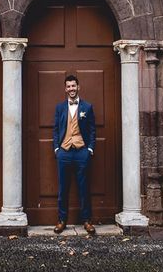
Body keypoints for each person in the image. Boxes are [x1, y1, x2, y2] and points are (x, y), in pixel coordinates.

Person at [52, 75, 96, 235]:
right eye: (68, 86)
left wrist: (89, 149)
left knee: (84, 187)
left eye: (73, 86)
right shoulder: (59, 107)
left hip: (81, 152)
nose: (71, 89)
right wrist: (57, 149)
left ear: (78, 87)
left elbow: (92, 130)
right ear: (65, 89)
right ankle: (62, 220)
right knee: (63, 188)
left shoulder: (87, 107)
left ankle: (87, 220)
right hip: (64, 152)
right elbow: (56, 129)